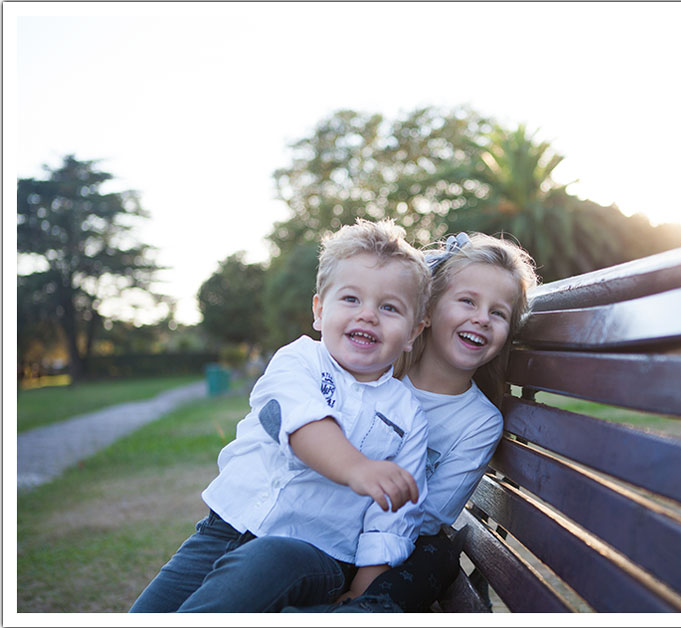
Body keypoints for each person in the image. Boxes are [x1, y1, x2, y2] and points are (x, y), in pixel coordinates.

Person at [129, 218, 433, 612]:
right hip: (224, 529)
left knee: (266, 559)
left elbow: (393, 518)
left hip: (314, 556)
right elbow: (302, 422)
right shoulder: (298, 360)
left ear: (413, 331)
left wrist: (363, 589)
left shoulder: (408, 415)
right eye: (351, 299)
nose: (368, 315)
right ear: (319, 311)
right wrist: (357, 468)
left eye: (389, 307)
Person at [286, 231, 538, 613]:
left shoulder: (480, 422)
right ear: (429, 311)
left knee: (436, 554)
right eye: (468, 301)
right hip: (321, 525)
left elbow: (431, 514)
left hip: (394, 543)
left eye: (498, 313)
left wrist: (375, 539)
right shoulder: (376, 373)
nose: (481, 319)